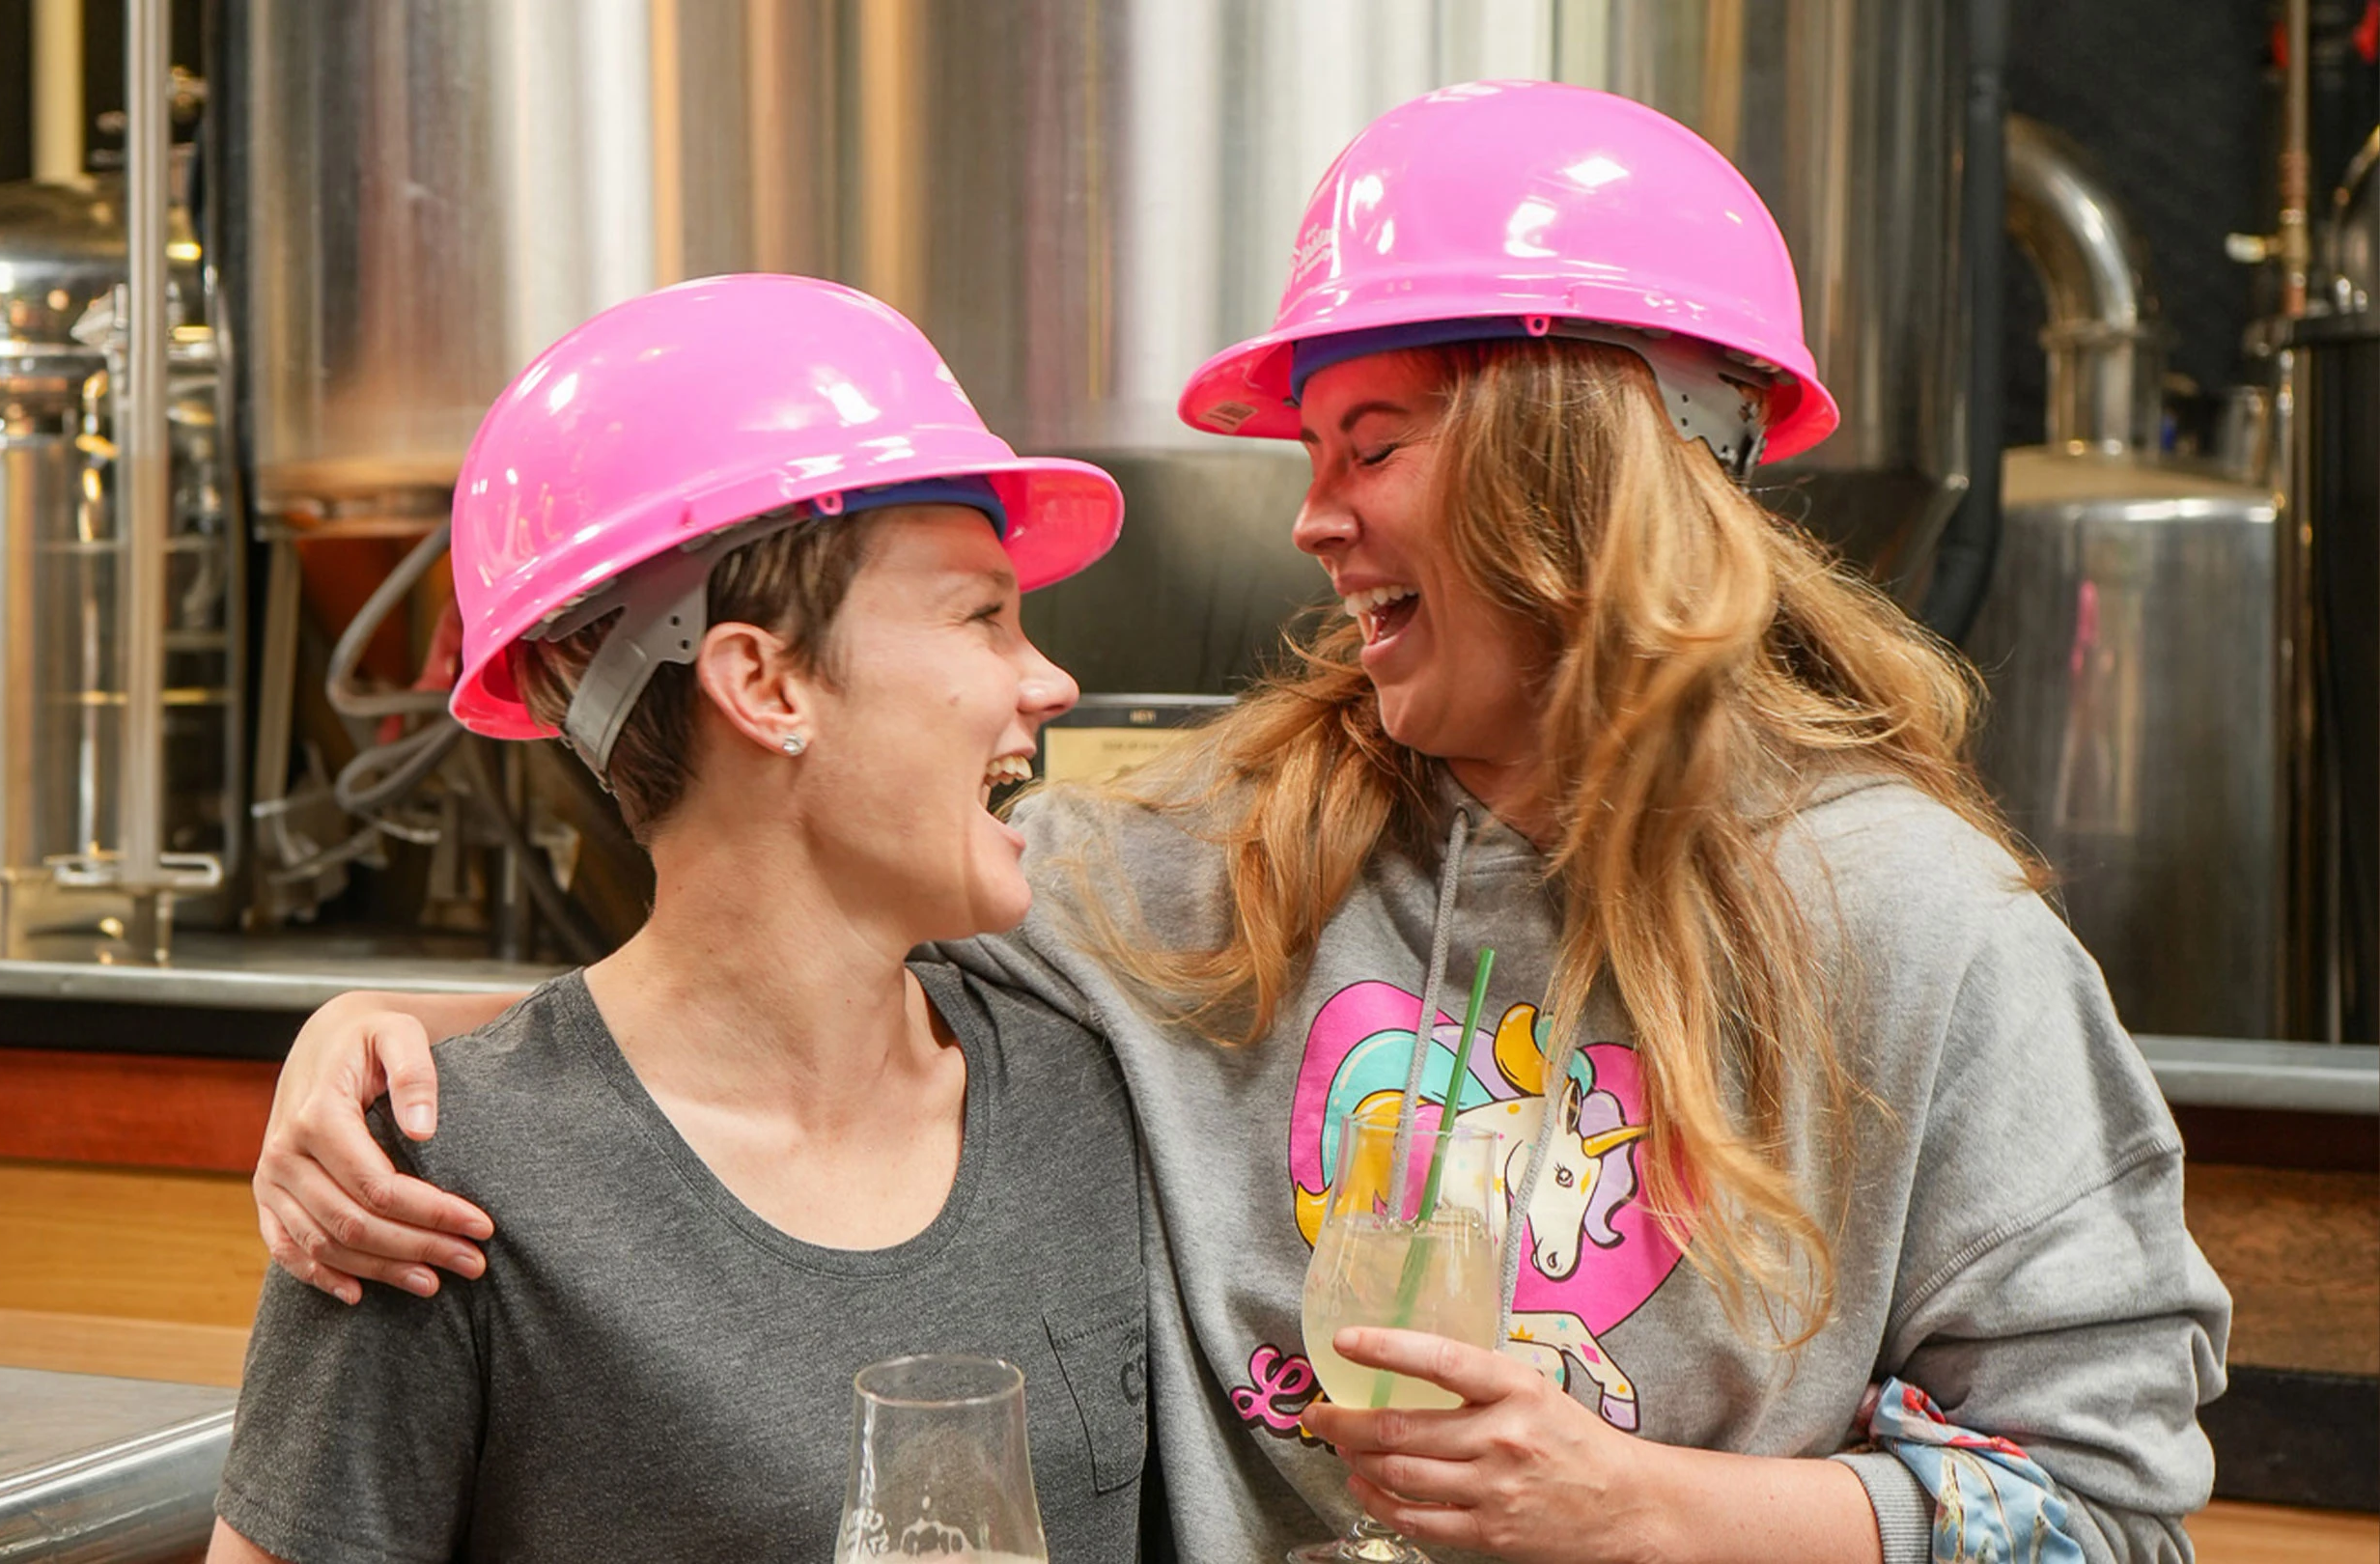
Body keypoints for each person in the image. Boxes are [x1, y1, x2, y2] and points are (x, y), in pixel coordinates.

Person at [248, 85, 2228, 1564]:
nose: (1307, 515)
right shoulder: (1202, 865)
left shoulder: (1908, 926)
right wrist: (390, 1057)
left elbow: (2106, 1503)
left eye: (1368, 442)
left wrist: (1643, 1508)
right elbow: (768, 934)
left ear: (1573, 461)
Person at [208, 274, 1150, 1564]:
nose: (1050, 680)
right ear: (763, 684)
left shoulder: (1084, 1087)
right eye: (982, 614)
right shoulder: (426, 1188)